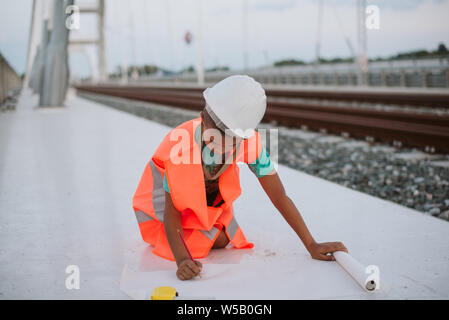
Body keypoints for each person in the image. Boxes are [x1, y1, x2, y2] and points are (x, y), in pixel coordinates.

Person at [132, 75, 348, 281]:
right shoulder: (180, 147)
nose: (220, 148)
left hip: (200, 198)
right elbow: (171, 214)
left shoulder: (251, 143)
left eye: (231, 143)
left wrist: (311, 244)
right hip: (160, 207)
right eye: (214, 139)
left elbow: (279, 196)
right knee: (186, 242)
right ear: (202, 119)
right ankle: (188, 235)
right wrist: (183, 261)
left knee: (223, 239)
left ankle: (197, 227)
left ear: (243, 137)